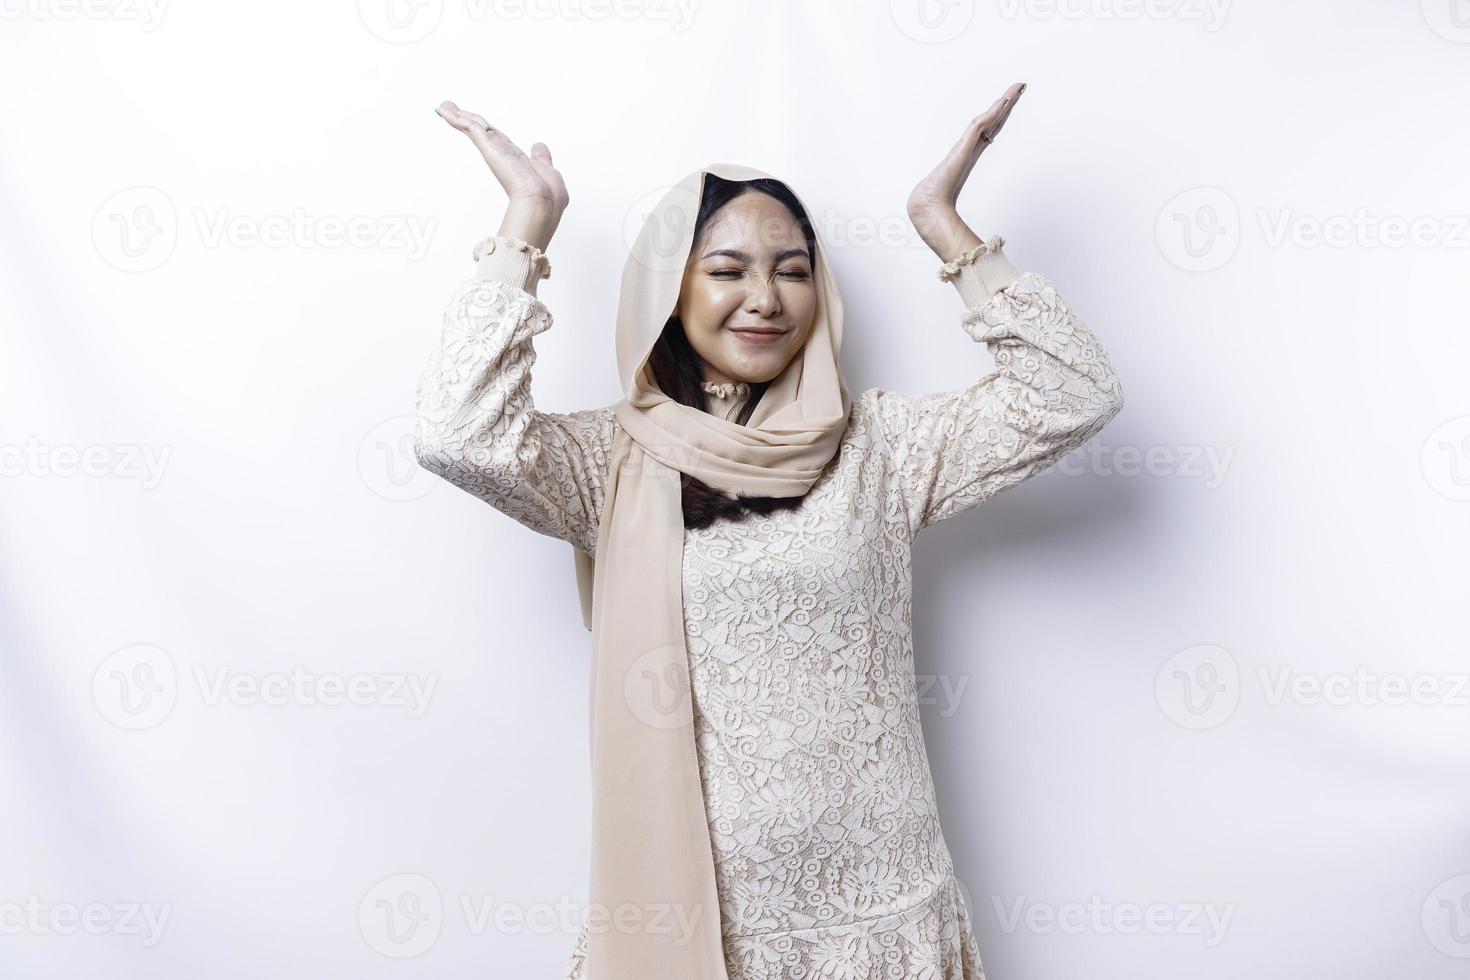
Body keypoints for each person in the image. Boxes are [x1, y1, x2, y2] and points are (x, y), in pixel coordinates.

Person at [415, 83, 1124, 980]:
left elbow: (1075, 394)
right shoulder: (606, 462)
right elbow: (456, 433)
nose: (765, 298)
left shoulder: (884, 447)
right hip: (695, 918)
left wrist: (945, 229)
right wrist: (526, 228)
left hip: (882, 912)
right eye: (727, 270)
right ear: (668, 291)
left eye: (792, 270)